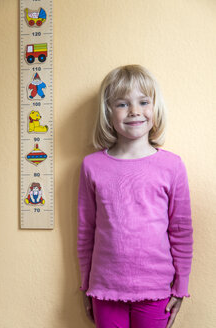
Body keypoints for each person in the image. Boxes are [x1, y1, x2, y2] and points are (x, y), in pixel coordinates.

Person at [77, 64, 194, 328]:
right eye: (122, 104)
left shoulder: (172, 166)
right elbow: (86, 230)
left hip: (156, 290)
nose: (134, 111)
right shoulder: (91, 166)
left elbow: (181, 230)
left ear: (155, 108)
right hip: (105, 288)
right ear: (108, 112)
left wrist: (181, 286)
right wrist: (86, 284)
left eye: (143, 101)